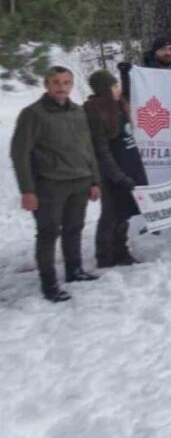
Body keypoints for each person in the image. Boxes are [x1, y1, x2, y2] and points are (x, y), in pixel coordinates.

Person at [10, 66, 101, 302]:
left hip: (79, 181)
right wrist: (27, 190)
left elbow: (88, 148)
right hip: (50, 185)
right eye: (56, 82)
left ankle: (74, 270)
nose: (61, 87)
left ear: (71, 85)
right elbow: (20, 154)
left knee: (74, 228)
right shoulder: (33, 114)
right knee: (49, 233)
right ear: (46, 85)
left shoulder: (78, 112)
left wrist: (94, 180)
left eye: (66, 83)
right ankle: (49, 283)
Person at [84, 70, 147, 268]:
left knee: (124, 213)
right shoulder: (96, 112)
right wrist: (118, 176)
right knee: (110, 215)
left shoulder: (119, 107)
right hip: (111, 174)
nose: (118, 89)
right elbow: (101, 151)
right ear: (106, 89)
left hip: (129, 166)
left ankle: (121, 250)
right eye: (114, 86)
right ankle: (105, 255)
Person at [119, 36, 171, 101]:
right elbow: (131, 95)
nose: (167, 53)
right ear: (155, 52)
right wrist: (125, 75)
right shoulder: (143, 72)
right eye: (163, 49)